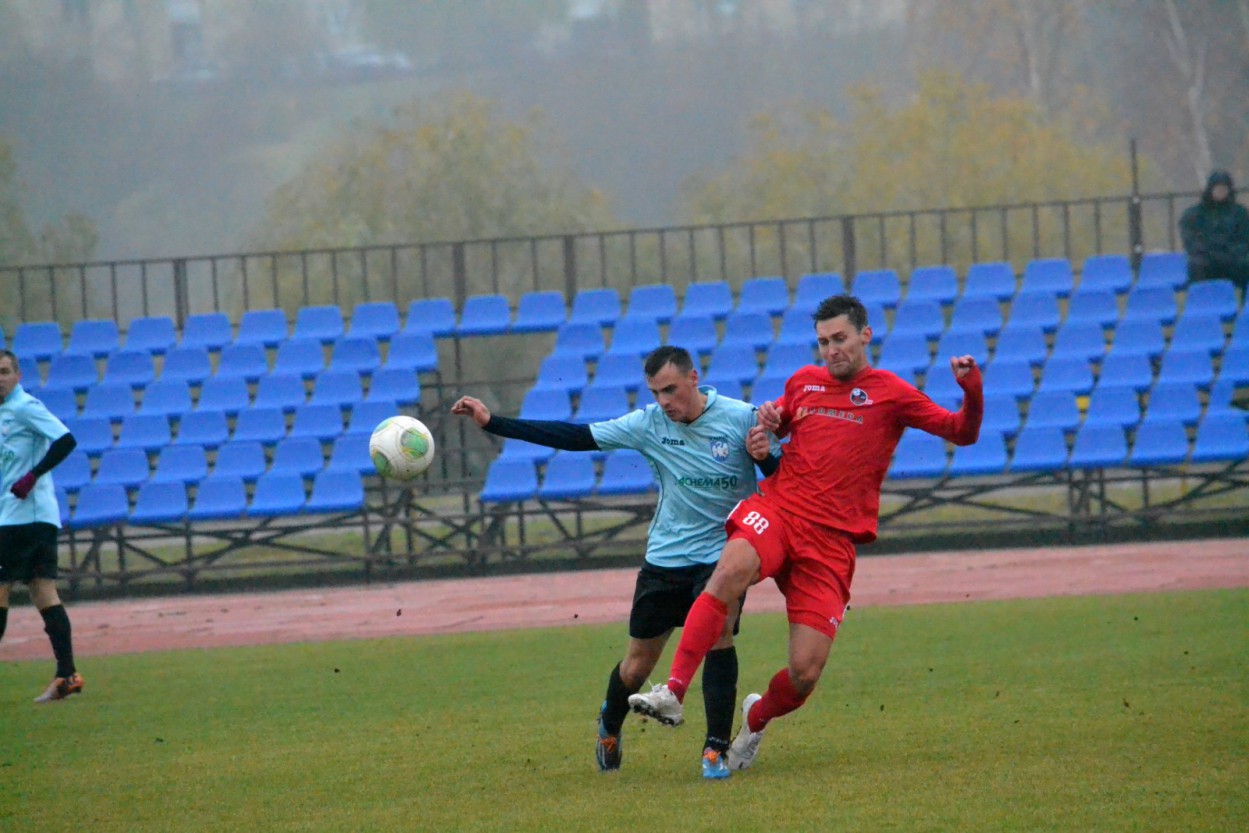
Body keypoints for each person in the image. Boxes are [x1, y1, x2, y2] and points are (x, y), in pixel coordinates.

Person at [628, 294, 983, 773]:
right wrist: (764, 432)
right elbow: (775, 425)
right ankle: (673, 690)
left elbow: (963, 432)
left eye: (840, 339)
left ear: (864, 335)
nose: (831, 350)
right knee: (727, 573)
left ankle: (756, 718)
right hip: (781, 511)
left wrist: (971, 388)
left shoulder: (892, 393)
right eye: (823, 341)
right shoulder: (804, 382)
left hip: (830, 543)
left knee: (804, 674)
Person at [451, 345, 781, 779]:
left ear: (693, 378)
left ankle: (715, 750)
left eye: (670, 389)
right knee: (637, 665)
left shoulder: (741, 418)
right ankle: (609, 724)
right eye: (655, 392)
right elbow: (575, 437)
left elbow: (782, 477)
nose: (663, 401)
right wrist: (493, 422)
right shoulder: (648, 424)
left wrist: (765, 457)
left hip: (722, 556)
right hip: (666, 558)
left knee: (719, 637)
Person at [0, 350, 84, 703]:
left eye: (4, 371)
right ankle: (67, 675)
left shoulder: (24, 407)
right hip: (22, 516)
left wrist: (33, 475)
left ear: (18, 375)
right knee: (43, 591)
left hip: (25, 517)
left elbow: (66, 439)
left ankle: (67, 673)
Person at [1179, 170, 1249, 293]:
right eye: (1217, 188)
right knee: (1197, 265)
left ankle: (1241, 300)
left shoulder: (1240, 213)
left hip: (1232, 257)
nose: (1221, 192)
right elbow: (1190, 240)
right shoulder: (1194, 214)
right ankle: (1201, 300)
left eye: (1224, 188)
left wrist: (1230, 252)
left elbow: (1244, 238)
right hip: (1205, 258)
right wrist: (1209, 252)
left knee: (1244, 263)